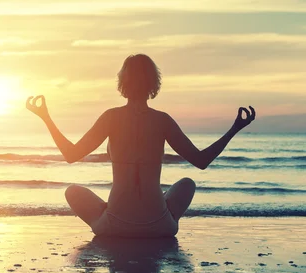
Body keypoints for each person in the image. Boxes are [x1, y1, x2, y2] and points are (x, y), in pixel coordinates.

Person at [26, 53, 255, 237]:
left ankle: (109, 212)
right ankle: (153, 210)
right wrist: (234, 129)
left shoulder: (111, 117)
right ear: (153, 83)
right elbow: (201, 161)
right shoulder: (162, 120)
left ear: (122, 82)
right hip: (159, 227)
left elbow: (71, 154)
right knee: (187, 183)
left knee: (72, 191)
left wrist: (45, 117)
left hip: (115, 226)